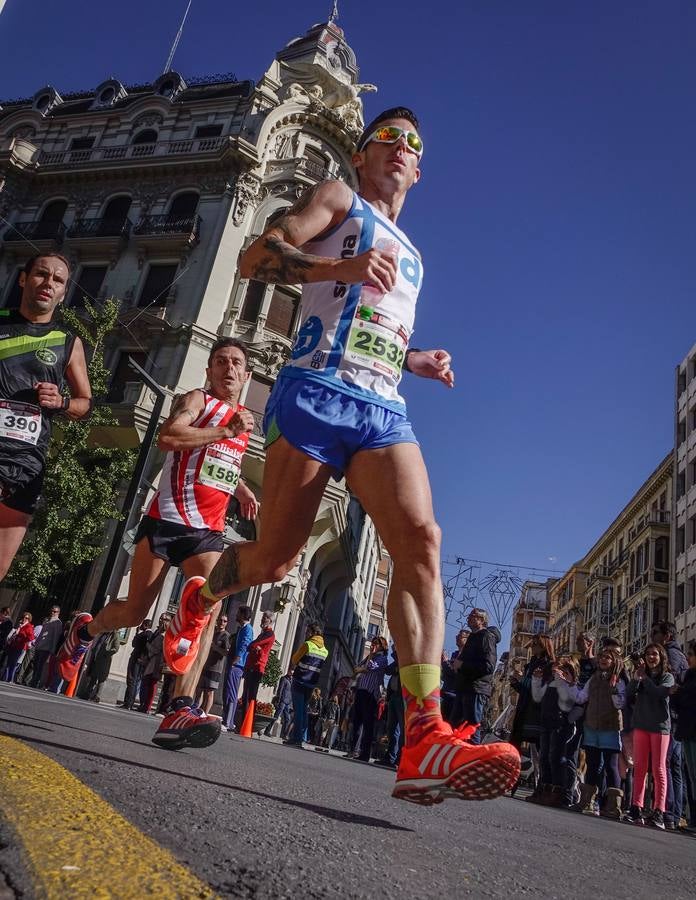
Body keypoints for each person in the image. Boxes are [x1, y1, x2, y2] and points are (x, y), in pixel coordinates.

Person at [164, 107, 520, 803]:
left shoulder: (414, 253)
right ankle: (202, 595)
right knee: (274, 559)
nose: (401, 149)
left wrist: (415, 359)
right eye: (387, 137)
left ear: (420, 170)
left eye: (414, 144)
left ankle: (426, 735)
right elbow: (255, 257)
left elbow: (366, 318)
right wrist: (342, 262)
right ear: (362, 156)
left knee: (420, 539)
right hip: (313, 392)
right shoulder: (338, 197)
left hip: (382, 405)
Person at [57, 337, 258, 749]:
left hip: (208, 532)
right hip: (166, 519)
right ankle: (85, 630)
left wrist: (239, 488)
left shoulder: (245, 416)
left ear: (248, 375)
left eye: (236, 363)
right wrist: (223, 429)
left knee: (208, 604)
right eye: (220, 361)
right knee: (134, 612)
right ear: (210, 370)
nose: (228, 369)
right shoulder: (197, 399)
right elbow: (170, 437)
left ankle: (180, 707)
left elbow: (218, 459)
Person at [0, 254, 92, 584]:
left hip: (27, 465)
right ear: (24, 279)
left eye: (57, 280)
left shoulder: (68, 341)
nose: (48, 283)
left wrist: (60, 400)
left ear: (63, 293)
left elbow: (85, 404)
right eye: (41, 274)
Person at [570, 648, 626, 818]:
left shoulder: (618, 680)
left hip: (610, 727)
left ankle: (612, 806)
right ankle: (587, 801)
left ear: (614, 661)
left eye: (607, 657)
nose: (603, 659)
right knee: (592, 765)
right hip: (592, 726)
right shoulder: (593, 679)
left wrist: (614, 688)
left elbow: (619, 704)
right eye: (601, 657)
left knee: (610, 765)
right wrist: (570, 684)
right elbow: (581, 697)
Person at [625, 643, 674, 829]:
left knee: (659, 769)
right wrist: (636, 678)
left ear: (661, 657)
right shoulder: (641, 675)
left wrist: (644, 678)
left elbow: (659, 693)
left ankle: (659, 811)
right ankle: (636, 807)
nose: (651, 657)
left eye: (654, 654)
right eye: (648, 654)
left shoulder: (667, 677)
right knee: (639, 768)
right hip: (641, 725)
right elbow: (629, 694)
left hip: (660, 728)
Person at [650, 620, 688, 831]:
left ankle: (668, 811)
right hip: (675, 718)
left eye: (655, 633)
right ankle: (673, 813)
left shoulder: (671, 656)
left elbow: (671, 687)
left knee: (666, 764)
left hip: (671, 718)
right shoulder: (677, 655)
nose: (652, 636)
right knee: (673, 767)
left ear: (667, 636)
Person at [530, 657, 580, 808]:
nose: (557, 671)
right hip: (546, 723)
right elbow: (537, 697)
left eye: (563, 670)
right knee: (544, 757)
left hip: (560, 725)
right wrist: (536, 680)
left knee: (555, 758)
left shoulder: (570, 686)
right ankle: (544, 789)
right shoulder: (550, 682)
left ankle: (557, 792)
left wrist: (561, 682)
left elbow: (567, 702)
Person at [450, 609, 499, 742]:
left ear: (482, 620)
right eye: (469, 615)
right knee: (456, 726)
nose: (469, 618)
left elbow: (488, 666)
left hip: (476, 689)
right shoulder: (472, 637)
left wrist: (463, 665)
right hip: (463, 688)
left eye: (474, 615)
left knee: (472, 727)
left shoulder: (486, 637)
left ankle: (473, 758)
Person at [285, 622, 329, 747]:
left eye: (307, 632)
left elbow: (294, 659)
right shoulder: (325, 651)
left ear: (312, 633)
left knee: (298, 710)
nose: (306, 634)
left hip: (300, 680)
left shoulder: (308, 645)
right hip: (311, 683)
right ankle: (302, 737)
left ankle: (296, 739)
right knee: (304, 710)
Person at [348, 636, 389, 761]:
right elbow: (357, 668)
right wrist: (362, 668)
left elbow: (369, 668)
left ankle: (364, 753)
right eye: (372, 644)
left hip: (370, 694)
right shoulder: (369, 657)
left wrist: (366, 664)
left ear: (382, 647)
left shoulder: (382, 659)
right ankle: (353, 750)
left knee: (367, 724)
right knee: (356, 722)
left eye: (375, 644)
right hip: (361, 690)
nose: (372, 646)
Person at [671, 639, 696, 824]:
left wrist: (682, 694)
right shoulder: (688, 676)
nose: (687, 658)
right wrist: (677, 694)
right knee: (691, 774)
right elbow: (680, 705)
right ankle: (693, 818)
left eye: (691, 654)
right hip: (687, 729)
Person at [238, 611, 275, 727]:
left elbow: (253, 645)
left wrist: (254, 646)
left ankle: (248, 724)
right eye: (262, 617)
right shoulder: (263, 633)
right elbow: (253, 646)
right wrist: (254, 646)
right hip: (251, 666)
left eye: (265, 618)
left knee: (251, 696)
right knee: (246, 696)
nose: (262, 620)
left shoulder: (269, 634)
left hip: (257, 667)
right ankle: (244, 724)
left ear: (270, 620)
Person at [221, 605, 253, 732]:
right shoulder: (241, 629)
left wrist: (237, 658)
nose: (236, 615)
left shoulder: (247, 629)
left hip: (237, 665)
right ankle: (226, 719)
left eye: (238, 613)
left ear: (243, 615)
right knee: (227, 691)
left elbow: (245, 644)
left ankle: (228, 722)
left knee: (232, 692)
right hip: (234, 663)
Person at [195, 614, 230, 714]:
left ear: (227, 623)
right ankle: (197, 710)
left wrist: (215, 648)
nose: (221, 623)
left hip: (215, 668)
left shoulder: (225, 636)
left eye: (224, 621)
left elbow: (226, 652)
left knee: (210, 692)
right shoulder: (213, 633)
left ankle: (205, 713)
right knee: (200, 689)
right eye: (220, 620)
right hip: (205, 665)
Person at [138, 613, 171, 714]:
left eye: (164, 619)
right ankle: (143, 704)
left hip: (158, 660)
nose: (161, 620)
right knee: (145, 682)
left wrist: (149, 646)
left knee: (152, 683)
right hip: (150, 659)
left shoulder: (166, 634)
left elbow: (162, 648)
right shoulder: (157, 631)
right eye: (161, 618)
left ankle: (147, 706)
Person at [121, 619, 152, 710]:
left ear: (145, 625)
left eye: (143, 624)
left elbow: (134, 644)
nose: (141, 626)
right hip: (141, 661)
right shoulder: (151, 635)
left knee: (132, 680)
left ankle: (128, 703)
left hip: (137, 659)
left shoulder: (144, 635)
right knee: (135, 681)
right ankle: (129, 702)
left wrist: (137, 633)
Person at [29, 604, 62, 688]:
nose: (52, 612)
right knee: (35, 664)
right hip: (39, 646)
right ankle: (33, 680)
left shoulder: (58, 623)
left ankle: (35, 682)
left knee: (40, 665)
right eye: (52, 611)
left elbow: (55, 637)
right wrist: (36, 642)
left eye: (55, 611)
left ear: (58, 613)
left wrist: (53, 649)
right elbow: (41, 634)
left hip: (46, 648)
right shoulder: (47, 620)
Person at [81, 631, 120, 702]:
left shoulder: (114, 635)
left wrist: (106, 653)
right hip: (96, 658)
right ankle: (87, 694)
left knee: (101, 679)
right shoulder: (103, 633)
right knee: (93, 676)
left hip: (104, 661)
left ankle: (97, 696)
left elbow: (116, 648)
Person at [440, 629, 469, 723]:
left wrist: (445, 662)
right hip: (447, 694)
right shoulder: (455, 655)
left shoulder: (466, 656)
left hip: (455, 696)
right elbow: (445, 675)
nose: (456, 638)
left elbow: (455, 674)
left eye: (460, 636)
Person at [1, 612, 34, 682]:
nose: (25, 619)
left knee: (13, 663)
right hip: (13, 645)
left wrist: (22, 639)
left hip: (20, 647)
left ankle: (9, 679)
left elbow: (31, 637)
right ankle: (5, 678)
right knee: (9, 662)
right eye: (24, 617)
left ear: (29, 619)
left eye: (27, 618)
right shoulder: (20, 625)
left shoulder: (29, 626)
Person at [262, 667, 293, 738]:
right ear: (288, 671)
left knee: (287, 719)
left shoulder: (292, 680)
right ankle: (267, 731)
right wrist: (278, 699)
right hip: (282, 700)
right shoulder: (284, 679)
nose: (292, 673)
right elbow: (280, 689)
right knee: (276, 716)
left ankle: (284, 735)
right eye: (291, 671)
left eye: (293, 672)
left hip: (288, 702)